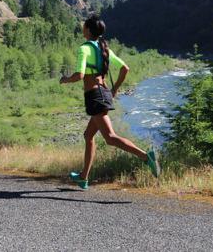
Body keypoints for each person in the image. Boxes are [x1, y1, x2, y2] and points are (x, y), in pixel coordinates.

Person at [59, 14, 160, 190]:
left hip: (95, 97)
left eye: (84, 26)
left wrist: (65, 79)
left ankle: (146, 157)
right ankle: (83, 177)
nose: (82, 28)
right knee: (88, 135)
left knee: (110, 138)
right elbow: (125, 68)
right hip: (104, 93)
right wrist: (115, 89)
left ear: (88, 30)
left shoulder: (84, 49)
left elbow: (80, 75)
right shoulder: (104, 47)